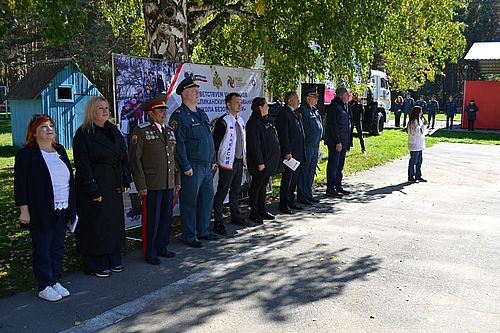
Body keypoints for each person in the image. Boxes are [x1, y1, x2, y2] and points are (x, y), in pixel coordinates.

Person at [14, 115, 76, 301]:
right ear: (34, 133)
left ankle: (55, 279)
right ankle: (44, 285)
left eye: (51, 126)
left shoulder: (60, 150)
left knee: (57, 247)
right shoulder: (27, 155)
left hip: (62, 207)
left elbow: (68, 179)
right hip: (41, 209)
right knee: (43, 248)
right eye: (43, 127)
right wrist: (24, 210)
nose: (49, 129)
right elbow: (21, 184)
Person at [73, 96, 132, 278]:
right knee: (96, 225)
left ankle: (113, 258)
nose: (105, 111)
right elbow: (82, 164)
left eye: (107, 108)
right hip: (95, 184)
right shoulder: (83, 133)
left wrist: (125, 180)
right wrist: (92, 188)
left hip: (113, 183)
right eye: (100, 108)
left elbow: (123, 156)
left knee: (112, 223)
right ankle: (96, 263)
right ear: (92, 111)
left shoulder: (113, 130)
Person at [129, 94, 180, 265]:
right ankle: (149, 251)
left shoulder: (169, 131)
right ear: (150, 113)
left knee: (166, 217)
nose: (163, 113)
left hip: (168, 182)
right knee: (152, 219)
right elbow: (135, 160)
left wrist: (177, 180)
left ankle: (162, 247)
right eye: (159, 110)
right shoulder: (141, 131)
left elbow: (174, 158)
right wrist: (141, 185)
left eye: (164, 110)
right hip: (151, 184)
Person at [169, 76, 218, 248]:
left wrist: (213, 159)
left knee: (206, 199)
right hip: (192, 166)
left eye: (198, 90)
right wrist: (185, 165)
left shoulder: (201, 112)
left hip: (206, 166)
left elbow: (208, 138)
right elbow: (179, 143)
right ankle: (189, 235)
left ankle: (203, 230)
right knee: (190, 201)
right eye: (193, 91)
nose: (197, 93)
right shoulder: (179, 116)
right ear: (184, 94)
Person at [212, 92, 252, 235]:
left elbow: (243, 141)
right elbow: (215, 143)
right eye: (237, 102)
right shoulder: (223, 121)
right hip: (227, 163)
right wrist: (214, 160)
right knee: (222, 191)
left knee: (236, 190)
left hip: (239, 161)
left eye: (241, 102)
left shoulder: (240, 120)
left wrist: (245, 157)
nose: (240, 105)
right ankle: (218, 221)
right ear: (229, 104)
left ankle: (235, 216)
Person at [246, 97, 282, 224]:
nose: (268, 107)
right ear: (260, 107)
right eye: (266, 105)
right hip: (259, 163)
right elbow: (254, 145)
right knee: (256, 187)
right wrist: (260, 162)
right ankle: (254, 212)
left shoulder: (264, 120)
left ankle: (262, 209)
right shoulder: (254, 122)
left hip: (268, 162)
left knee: (263, 187)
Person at [276, 91, 306, 214]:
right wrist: (287, 151)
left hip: (298, 151)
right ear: (289, 101)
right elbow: (284, 134)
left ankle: (291, 201)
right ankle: (284, 204)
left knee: (294, 179)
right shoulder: (284, 113)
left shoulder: (294, 113)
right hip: (290, 153)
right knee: (287, 179)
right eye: (296, 99)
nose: (298, 101)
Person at [323, 87, 352, 198]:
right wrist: (337, 141)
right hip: (336, 142)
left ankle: (338, 185)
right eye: (346, 95)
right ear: (341, 96)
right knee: (333, 165)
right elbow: (333, 127)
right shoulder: (334, 107)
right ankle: (331, 188)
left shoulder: (343, 107)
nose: (348, 97)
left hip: (343, 141)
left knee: (339, 165)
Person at [297, 87, 323, 205]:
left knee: (311, 170)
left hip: (315, 145)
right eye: (315, 97)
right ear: (308, 98)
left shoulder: (314, 110)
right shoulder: (303, 110)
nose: (317, 99)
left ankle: (308, 193)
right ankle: (302, 195)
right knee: (305, 170)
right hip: (307, 145)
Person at [407, 106, 428, 183]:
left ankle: (418, 176)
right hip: (415, 144)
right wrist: (424, 125)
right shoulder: (413, 121)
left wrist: (424, 125)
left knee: (419, 161)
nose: (421, 113)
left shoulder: (419, 120)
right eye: (420, 111)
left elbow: (423, 131)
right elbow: (418, 132)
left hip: (419, 144)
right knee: (413, 161)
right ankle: (411, 177)